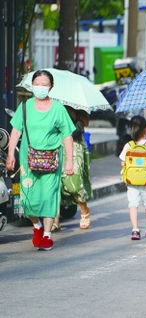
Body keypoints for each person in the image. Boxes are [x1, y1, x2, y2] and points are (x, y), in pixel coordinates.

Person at [6, 70, 75, 251]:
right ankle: (36, 226)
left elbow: (67, 135)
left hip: (52, 161)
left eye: (45, 84)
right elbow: (16, 131)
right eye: (38, 83)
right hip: (28, 161)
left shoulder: (58, 108)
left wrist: (69, 161)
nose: (41, 87)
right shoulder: (25, 107)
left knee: (48, 196)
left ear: (51, 87)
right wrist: (11, 154)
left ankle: (46, 235)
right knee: (28, 200)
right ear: (32, 85)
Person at [119, 115, 146, 240]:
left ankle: (135, 230)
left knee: (133, 204)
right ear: (145, 129)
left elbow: (122, 162)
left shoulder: (129, 146)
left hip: (131, 182)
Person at [54, 106, 93, 231]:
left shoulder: (77, 107)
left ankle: (84, 210)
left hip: (75, 146)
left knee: (74, 184)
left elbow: (84, 124)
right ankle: (55, 220)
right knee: (55, 184)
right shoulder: (52, 105)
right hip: (56, 146)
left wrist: (74, 117)